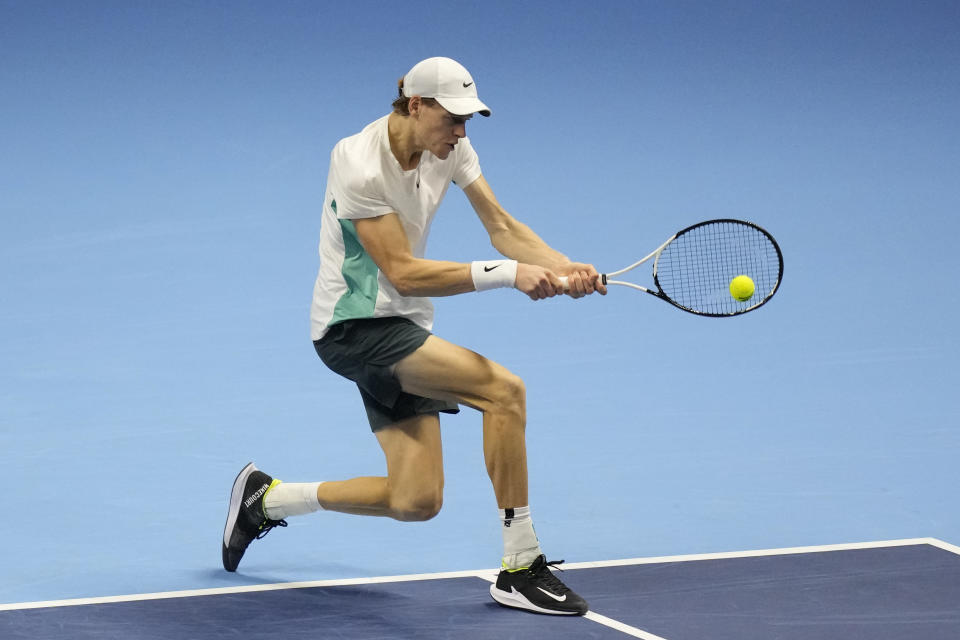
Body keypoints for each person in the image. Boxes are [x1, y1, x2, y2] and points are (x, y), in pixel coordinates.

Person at [221, 56, 606, 616]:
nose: (461, 131)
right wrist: (510, 276)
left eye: (468, 120)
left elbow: (502, 227)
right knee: (504, 391)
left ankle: (268, 499)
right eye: (451, 118)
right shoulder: (358, 163)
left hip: (405, 325)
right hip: (353, 329)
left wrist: (564, 266)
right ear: (415, 104)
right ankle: (521, 565)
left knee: (416, 500)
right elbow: (401, 271)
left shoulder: (450, 149)